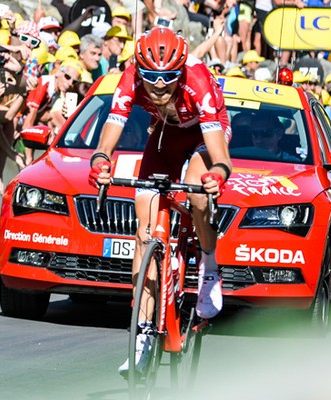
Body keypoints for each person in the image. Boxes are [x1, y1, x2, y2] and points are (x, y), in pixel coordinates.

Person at [88, 28, 232, 375]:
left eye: (168, 78)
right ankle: (142, 334)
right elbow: (113, 124)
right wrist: (99, 160)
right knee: (145, 229)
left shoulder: (197, 80)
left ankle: (209, 268)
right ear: (139, 68)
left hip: (204, 134)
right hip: (165, 133)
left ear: (180, 70)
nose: (159, 85)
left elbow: (219, 155)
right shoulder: (130, 78)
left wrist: (219, 174)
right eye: (151, 78)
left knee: (197, 194)